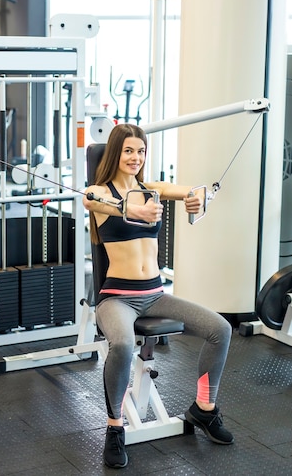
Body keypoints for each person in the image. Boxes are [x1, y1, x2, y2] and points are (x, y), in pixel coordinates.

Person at [83, 123, 233, 469]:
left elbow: (187, 190)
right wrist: (134, 211)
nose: (135, 158)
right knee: (121, 345)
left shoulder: (151, 189)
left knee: (220, 329)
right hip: (116, 297)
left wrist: (197, 196)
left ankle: (203, 410)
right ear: (115, 154)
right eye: (128, 151)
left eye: (141, 151)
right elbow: (91, 200)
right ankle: (115, 428)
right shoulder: (99, 191)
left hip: (154, 294)